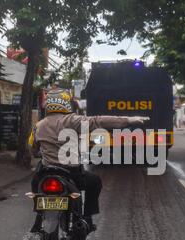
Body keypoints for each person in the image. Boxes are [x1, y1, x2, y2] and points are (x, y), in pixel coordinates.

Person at [29, 86, 148, 232]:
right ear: (66, 103)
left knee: (36, 179)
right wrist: (128, 120)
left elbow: (33, 148)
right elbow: (98, 121)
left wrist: (41, 151)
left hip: (47, 173)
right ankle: (87, 218)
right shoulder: (72, 120)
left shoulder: (38, 126)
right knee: (95, 181)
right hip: (71, 173)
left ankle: (39, 215)